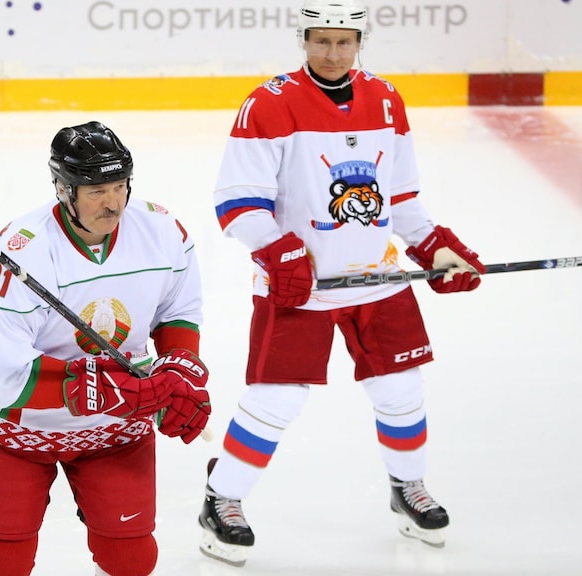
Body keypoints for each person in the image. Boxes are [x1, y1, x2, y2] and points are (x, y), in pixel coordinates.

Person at [200, 0, 486, 567]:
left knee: (400, 389)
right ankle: (221, 498)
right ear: (304, 39)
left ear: (360, 41)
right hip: (300, 286)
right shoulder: (269, 103)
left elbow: (400, 196)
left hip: (379, 278)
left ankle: (407, 489)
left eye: (344, 41)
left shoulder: (386, 98)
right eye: (321, 41)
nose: (333, 53)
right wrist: (279, 250)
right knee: (277, 398)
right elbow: (237, 202)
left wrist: (434, 246)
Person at [0, 121, 211, 576]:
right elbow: (3, 375)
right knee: (1, 561)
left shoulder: (162, 231)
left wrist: (176, 373)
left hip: (115, 426)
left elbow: (178, 310)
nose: (112, 203)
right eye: (96, 191)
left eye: (119, 186)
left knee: (131, 559)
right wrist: (97, 389)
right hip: (18, 427)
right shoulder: (23, 250)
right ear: (64, 189)